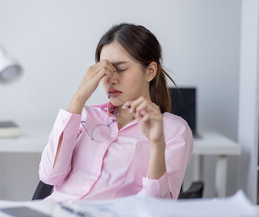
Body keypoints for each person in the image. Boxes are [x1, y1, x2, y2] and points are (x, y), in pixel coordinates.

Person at [38, 23, 193, 202]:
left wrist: (156, 145)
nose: (110, 79)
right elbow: (49, 176)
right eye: (105, 70)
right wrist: (79, 97)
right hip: (52, 215)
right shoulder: (86, 116)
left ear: (150, 71)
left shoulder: (172, 130)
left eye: (121, 69)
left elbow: (157, 205)